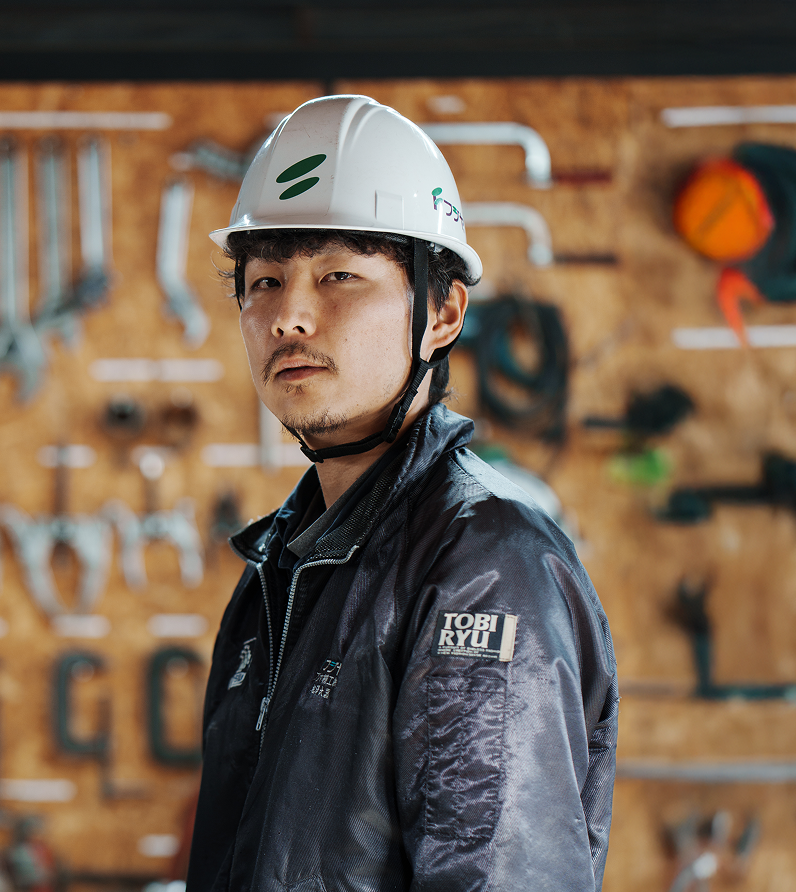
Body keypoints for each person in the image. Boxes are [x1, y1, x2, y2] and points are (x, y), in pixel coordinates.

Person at [187, 94, 618, 892]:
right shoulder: (278, 568)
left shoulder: (482, 568)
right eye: (265, 280)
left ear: (442, 312)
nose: (288, 316)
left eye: (338, 275)